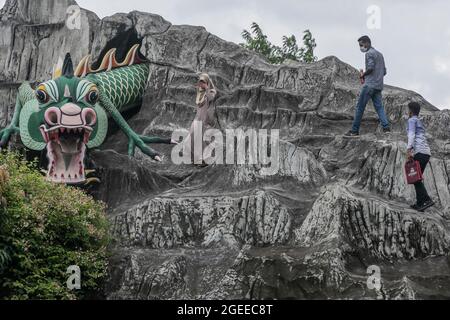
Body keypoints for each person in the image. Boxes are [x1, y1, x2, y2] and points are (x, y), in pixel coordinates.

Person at [345, 36, 391, 137]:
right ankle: (386, 128)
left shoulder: (369, 53)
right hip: (378, 86)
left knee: (360, 107)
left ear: (367, 43)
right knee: (379, 108)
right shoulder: (380, 54)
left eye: (361, 45)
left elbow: (370, 68)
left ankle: (354, 131)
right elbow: (384, 71)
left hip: (369, 85)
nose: (361, 47)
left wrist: (363, 75)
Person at [406, 102, 434, 212]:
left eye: (407, 109)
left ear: (411, 111)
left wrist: (409, 150)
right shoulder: (419, 121)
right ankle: (420, 203)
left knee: (416, 179)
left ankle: (426, 200)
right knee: (416, 178)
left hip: (420, 153)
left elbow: (411, 135)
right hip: (426, 153)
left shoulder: (412, 120)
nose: (407, 111)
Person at [185, 73, 218, 166]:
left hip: (205, 119)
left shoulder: (211, 91)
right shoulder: (200, 92)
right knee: (192, 135)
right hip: (198, 117)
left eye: (203, 81)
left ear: (207, 82)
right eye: (200, 81)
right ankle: (195, 158)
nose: (201, 84)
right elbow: (199, 103)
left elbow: (212, 97)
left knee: (203, 139)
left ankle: (204, 159)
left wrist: (207, 88)